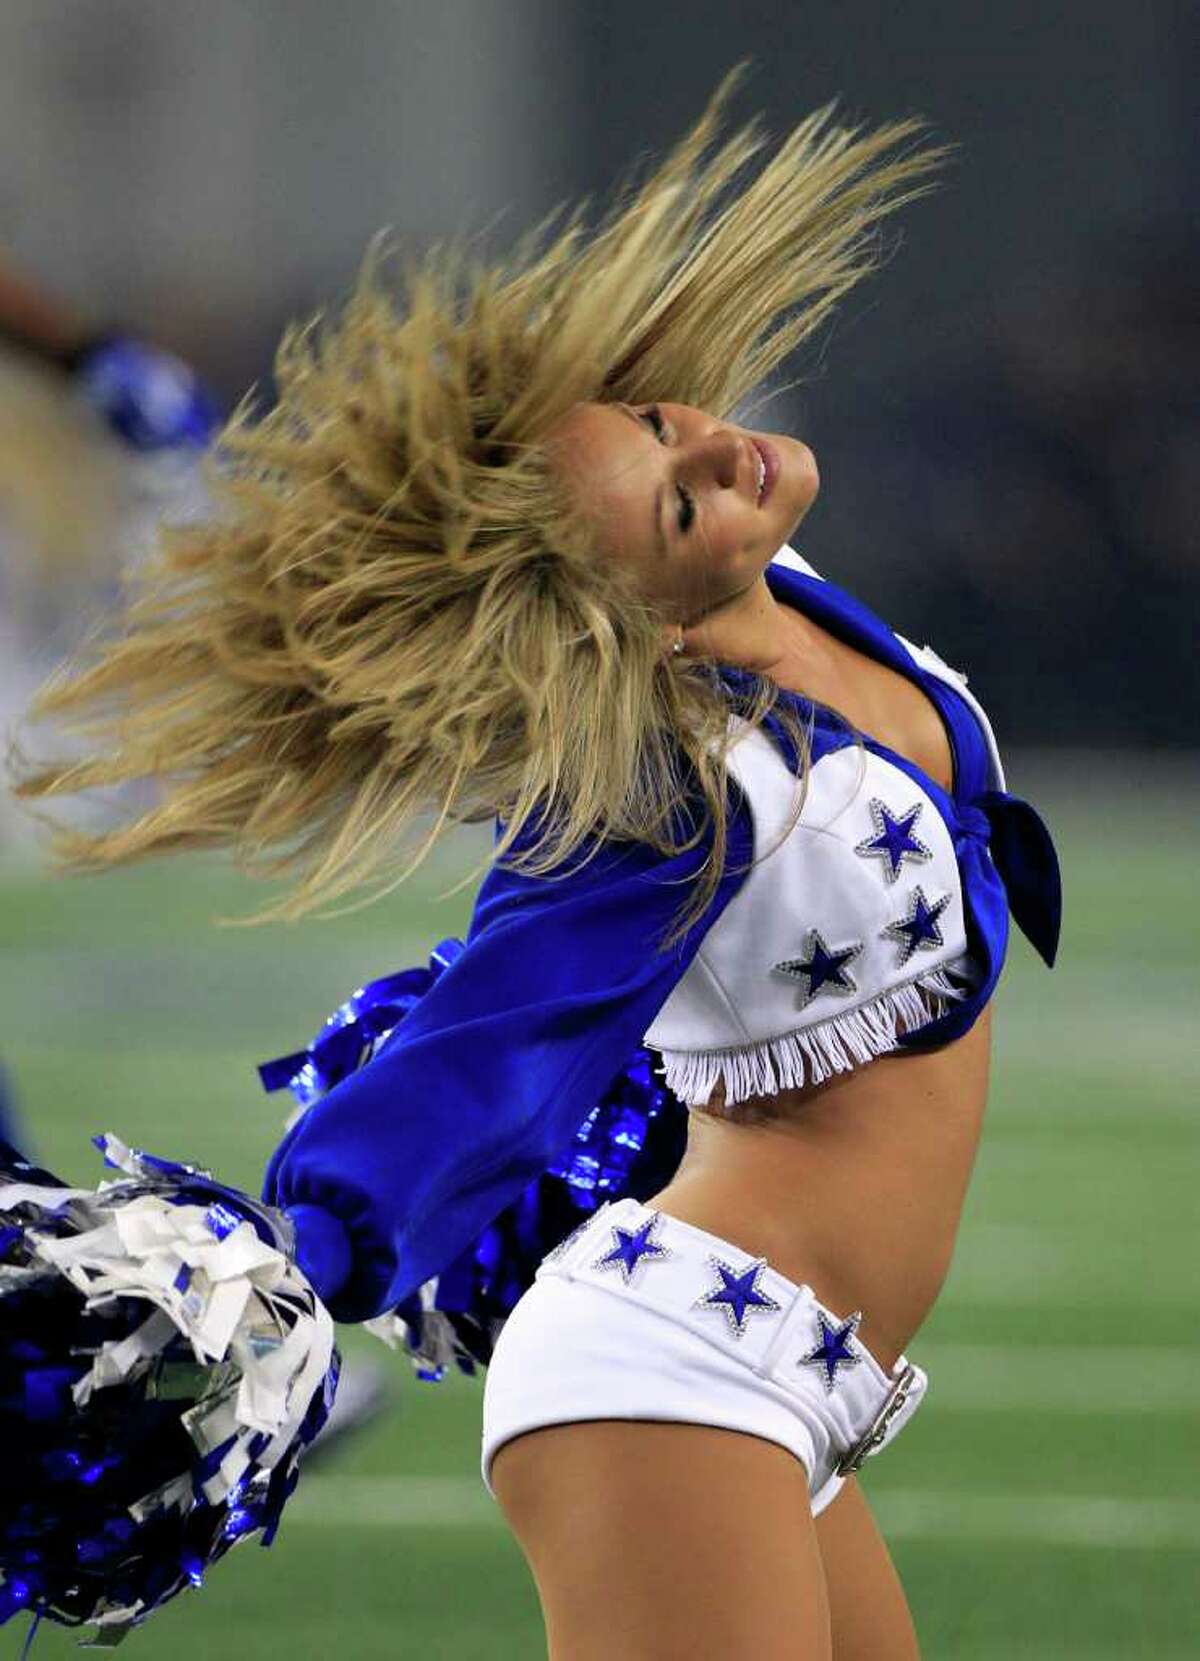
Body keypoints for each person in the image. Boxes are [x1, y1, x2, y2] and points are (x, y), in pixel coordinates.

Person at [11, 62, 1060, 1659]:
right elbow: (500, 1029)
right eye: (676, 498)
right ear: (616, 617)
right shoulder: (670, 776)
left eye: (663, 426)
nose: (722, 453)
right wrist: (315, 1240)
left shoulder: (787, 591)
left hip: (797, 1378)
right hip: (674, 1374)